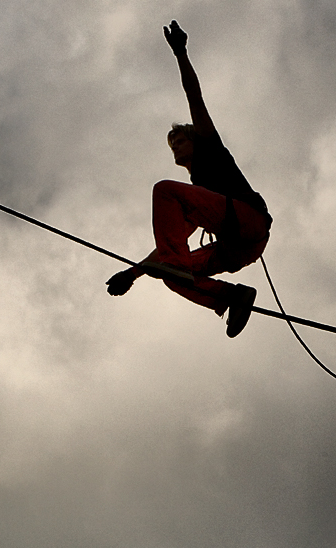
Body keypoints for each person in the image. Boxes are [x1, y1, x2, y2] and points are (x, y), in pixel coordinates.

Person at [106, 21, 272, 338]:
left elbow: (193, 94)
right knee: (171, 274)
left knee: (163, 191)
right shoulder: (196, 200)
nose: (174, 149)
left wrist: (181, 53)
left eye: (179, 141)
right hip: (237, 248)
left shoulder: (209, 146)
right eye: (172, 146)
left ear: (194, 140)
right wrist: (135, 273)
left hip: (249, 222)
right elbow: (171, 245)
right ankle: (230, 296)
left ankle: (214, 287)